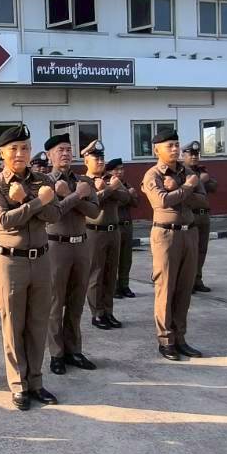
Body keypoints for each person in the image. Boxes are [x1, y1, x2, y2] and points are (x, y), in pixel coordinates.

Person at [0, 124, 61, 410]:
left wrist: (28, 199)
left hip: (41, 259)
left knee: (38, 323)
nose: (20, 153)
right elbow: (4, 221)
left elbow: (54, 214)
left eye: (25, 148)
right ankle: (18, 384)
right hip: (11, 262)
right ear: (2, 153)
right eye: (14, 149)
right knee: (13, 324)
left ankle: (36, 382)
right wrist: (36, 203)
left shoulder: (42, 179)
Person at [141, 127, 203, 361]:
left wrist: (178, 189)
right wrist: (186, 188)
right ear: (157, 150)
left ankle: (180, 338)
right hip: (166, 236)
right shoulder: (153, 175)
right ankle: (166, 340)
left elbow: (203, 201)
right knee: (166, 289)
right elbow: (161, 202)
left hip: (189, 233)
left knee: (185, 288)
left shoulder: (188, 172)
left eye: (177, 144)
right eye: (170, 146)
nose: (175, 149)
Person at [44, 133, 101, 376]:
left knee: (77, 301)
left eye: (68, 149)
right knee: (56, 302)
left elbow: (94, 212)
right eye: (60, 150)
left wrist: (70, 194)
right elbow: (52, 213)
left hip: (81, 245)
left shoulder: (84, 181)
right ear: (49, 156)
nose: (66, 153)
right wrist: (76, 196)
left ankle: (74, 350)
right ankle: (56, 354)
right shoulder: (44, 183)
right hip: (56, 247)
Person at [84, 141, 126, 330]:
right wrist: (108, 190)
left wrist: (111, 188)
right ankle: (97, 313)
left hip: (113, 231)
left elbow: (127, 198)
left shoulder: (111, 178)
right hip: (95, 232)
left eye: (102, 158)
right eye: (96, 158)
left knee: (111, 273)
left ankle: (108, 311)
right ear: (87, 160)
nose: (100, 161)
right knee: (96, 274)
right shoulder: (83, 182)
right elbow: (91, 203)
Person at [181, 141, 217, 293]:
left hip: (204, 216)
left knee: (202, 250)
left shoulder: (202, 171)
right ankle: (187, 281)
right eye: (191, 154)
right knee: (190, 251)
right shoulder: (181, 171)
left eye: (196, 154)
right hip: (191, 215)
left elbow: (214, 186)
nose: (194, 157)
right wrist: (200, 181)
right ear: (183, 155)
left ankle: (197, 279)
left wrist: (205, 179)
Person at [111, 159, 139, 299]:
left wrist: (130, 195)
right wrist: (128, 194)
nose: (120, 172)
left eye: (122, 169)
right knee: (114, 259)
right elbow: (117, 203)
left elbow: (135, 203)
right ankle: (114, 286)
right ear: (110, 171)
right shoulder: (110, 186)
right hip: (115, 226)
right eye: (116, 169)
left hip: (127, 225)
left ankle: (124, 285)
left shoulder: (127, 185)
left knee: (126, 259)